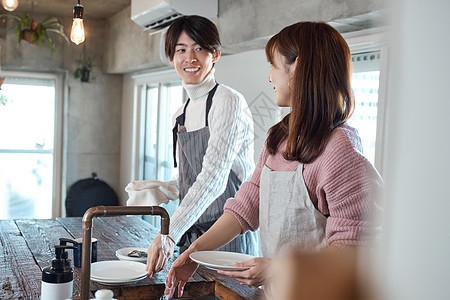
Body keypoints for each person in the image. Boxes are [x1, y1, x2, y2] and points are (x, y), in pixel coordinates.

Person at [163, 21, 383, 298]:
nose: (269, 78)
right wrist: (193, 254)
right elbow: (244, 207)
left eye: (273, 66)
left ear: (298, 69)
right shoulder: (279, 139)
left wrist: (279, 270)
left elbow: (352, 252)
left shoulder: (340, 151)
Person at [145, 15, 259, 277]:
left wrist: (169, 234)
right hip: (190, 236)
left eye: (199, 49)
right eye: (181, 50)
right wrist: (163, 188)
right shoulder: (180, 114)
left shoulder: (228, 101)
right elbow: (186, 175)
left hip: (228, 238)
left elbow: (214, 179)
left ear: (215, 54)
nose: (190, 58)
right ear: (171, 58)